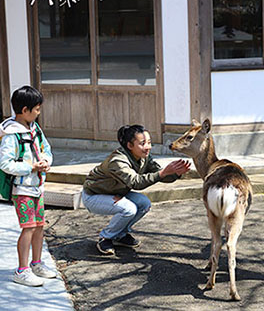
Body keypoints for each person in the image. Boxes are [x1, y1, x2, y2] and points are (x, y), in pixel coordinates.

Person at [82, 124, 191, 255]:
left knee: (144, 204)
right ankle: (106, 237)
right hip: (93, 196)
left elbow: (160, 175)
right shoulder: (118, 161)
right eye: (143, 143)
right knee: (129, 209)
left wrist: (175, 173)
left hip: (115, 192)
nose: (148, 147)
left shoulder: (144, 158)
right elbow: (136, 182)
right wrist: (163, 173)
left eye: (149, 142)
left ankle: (120, 234)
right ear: (129, 146)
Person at [0, 85, 56, 287]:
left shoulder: (34, 128)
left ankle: (36, 263)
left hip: (37, 187)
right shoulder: (10, 135)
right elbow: (5, 164)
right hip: (22, 189)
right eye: (37, 109)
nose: (39, 112)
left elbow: (45, 148)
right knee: (29, 228)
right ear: (25, 110)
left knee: (39, 226)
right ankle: (21, 270)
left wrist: (46, 161)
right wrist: (31, 167)